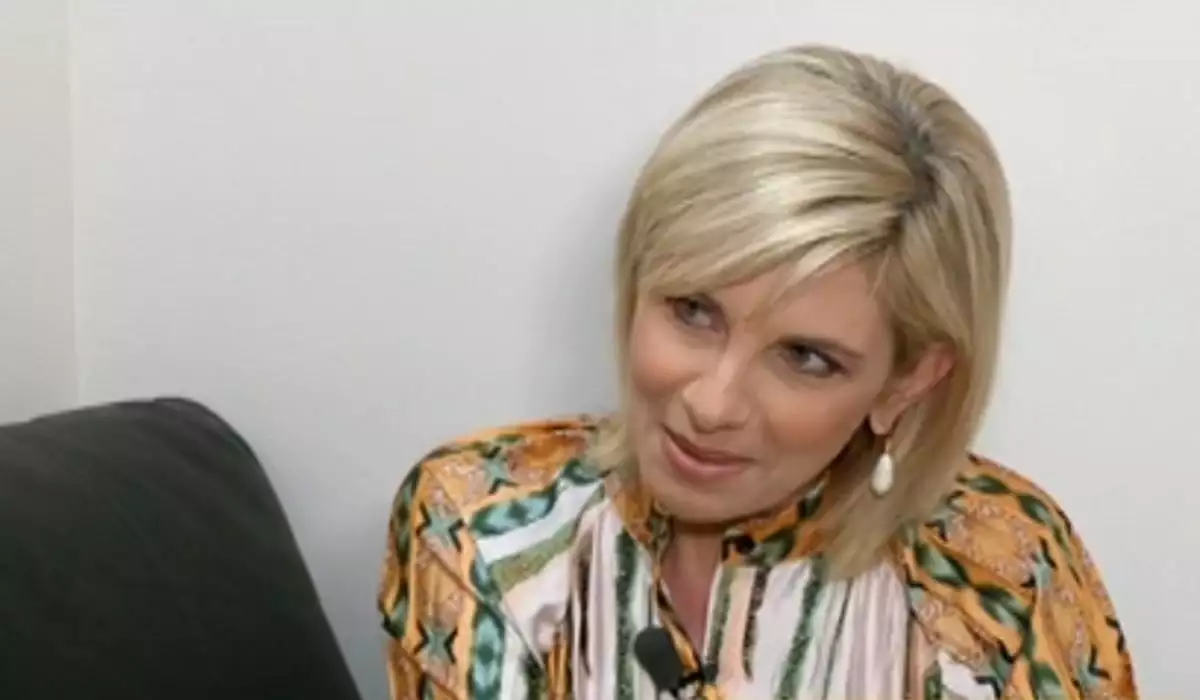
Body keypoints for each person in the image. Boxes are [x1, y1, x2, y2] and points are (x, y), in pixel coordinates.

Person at [377, 44, 1138, 700]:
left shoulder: (1004, 575)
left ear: (907, 381)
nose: (712, 404)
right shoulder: (484, 527)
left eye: (805, 358)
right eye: (692, 310)